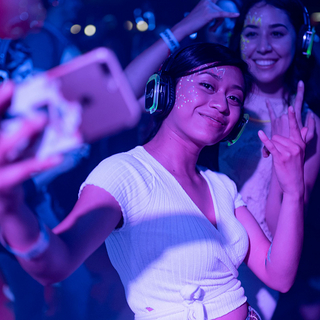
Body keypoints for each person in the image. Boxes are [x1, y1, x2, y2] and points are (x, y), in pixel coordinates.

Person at [0, 42, 310, 320]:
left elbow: (278, 275)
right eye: (207, 85)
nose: (222, 104)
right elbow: (56, 262)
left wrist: (293, 190)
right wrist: (10, 208)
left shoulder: (221, 185)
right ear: (165, 91)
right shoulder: (124, 173)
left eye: (234, 97)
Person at [124, 1, 320, 318]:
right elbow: (120, 97)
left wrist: (283, 174)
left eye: (278, 33)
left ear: (301, 41)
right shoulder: (210, 99)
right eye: (251, 33)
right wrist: (186, 27)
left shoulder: (308, 125)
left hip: (252, 271)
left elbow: (276, 234)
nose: (264, 46)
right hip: (176, 251)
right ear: (237, 38)